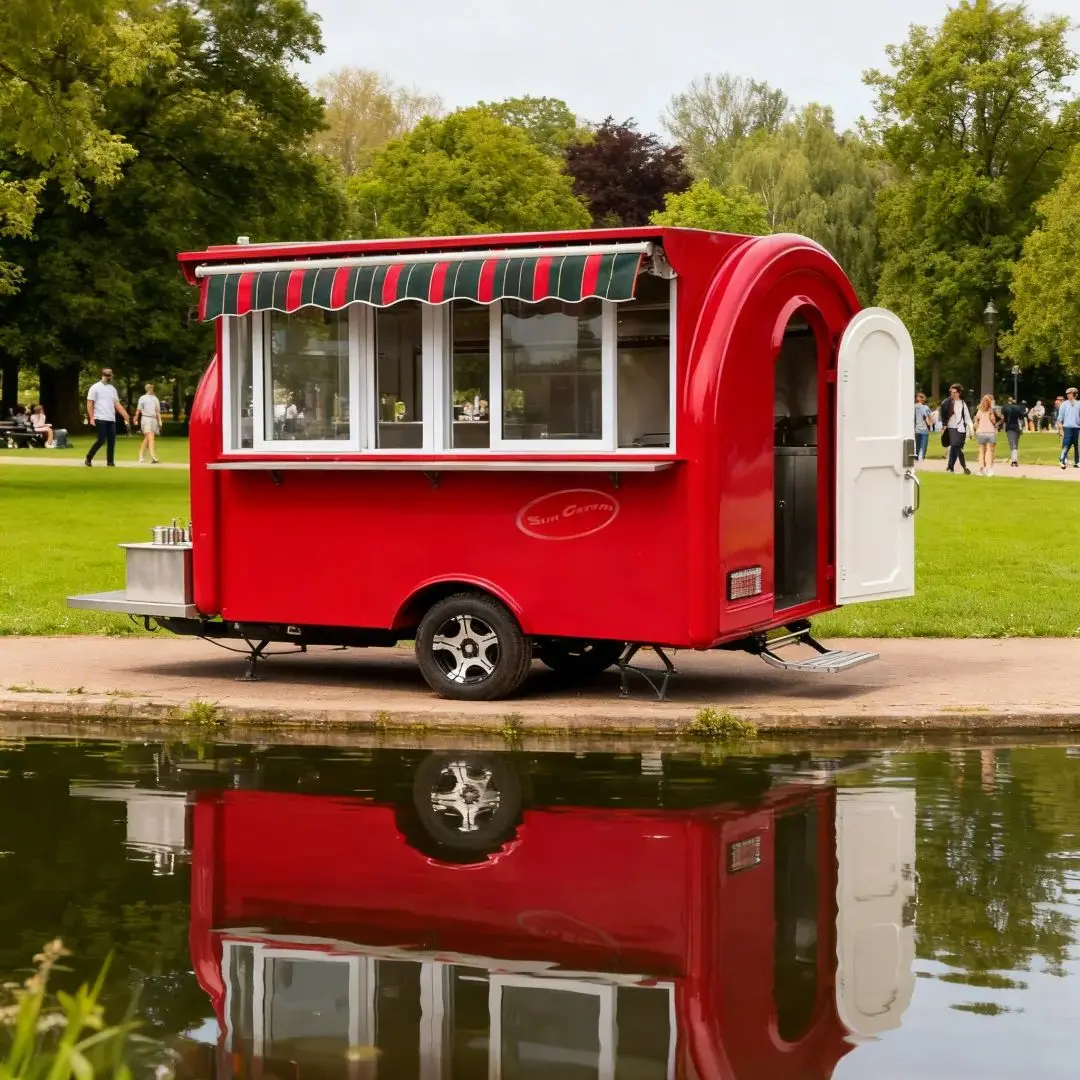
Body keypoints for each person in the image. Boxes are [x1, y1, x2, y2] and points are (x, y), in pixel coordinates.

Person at [84, 368, 130, 467]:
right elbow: (89, 403)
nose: (110, 377)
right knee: (101, 440)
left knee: (112, 441)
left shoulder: (112, 389)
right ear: (104, 375)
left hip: (111, 418)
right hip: (100, 417)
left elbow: (117, 404)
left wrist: (125, 415)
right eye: (109, 375)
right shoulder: (95, 387)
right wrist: (91, 417)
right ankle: (89, 457)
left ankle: (110, 462)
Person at [939, 383, 972, 474]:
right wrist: (944, 425)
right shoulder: (947, 402)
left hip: (961, 429)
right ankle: (964, 466)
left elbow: (967, 417)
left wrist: (971, 428)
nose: (952, 394)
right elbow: (943, 414)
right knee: (956, 445)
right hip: (951, 427)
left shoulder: (962, 403)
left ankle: (950, 467)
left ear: (959, 393)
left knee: (954, 448)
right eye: (951, 392)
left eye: (955, 392)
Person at [134, 382, 162, 464]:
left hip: (153, 419)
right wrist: (135, 418)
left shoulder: (155, 399)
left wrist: (159, 420)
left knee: (147, 439)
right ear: (147, 389)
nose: (151, 390)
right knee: (151, 437)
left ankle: (141, 456)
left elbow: (157, 411)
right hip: (146, 419)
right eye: (150, 388)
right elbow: (138, 410)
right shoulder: (142, 398)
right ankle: (154, 457)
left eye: (152, 388)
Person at [973, 394, 1000, 476]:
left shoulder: (979, 411)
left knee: (981, 452)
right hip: (990, 432)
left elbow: (976, 422)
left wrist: (976, 430)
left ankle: (982, 469)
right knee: (989, 451)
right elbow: (994, 421)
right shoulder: (991, 411)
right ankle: (989, 469)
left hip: (980, 433)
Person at [1000, 396, 1026, 468]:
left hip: (1009, 427)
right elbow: (1021, 419)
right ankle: (1014, 459)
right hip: (1017, 427)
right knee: (1015, 444)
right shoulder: (1018, 407)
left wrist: (999, 425)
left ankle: (1014, 460)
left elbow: (1002, 417)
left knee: (1012, 444)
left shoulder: (1004, 407)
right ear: (1014, 400)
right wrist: (1022, 428)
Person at [1057, 386, 1080, 469]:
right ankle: (1062, 460)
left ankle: (1077, 462)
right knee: (1066, 445)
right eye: (1067, 394)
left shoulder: (1079, 404)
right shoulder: (1064, 404)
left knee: (1077, 445)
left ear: (1074, 394)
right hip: (1067, 427)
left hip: (1077, 427)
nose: (1068, 395)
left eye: (1070, 394)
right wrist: (1060, 428)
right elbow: (1060, 417)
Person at [913, 392, 932, 462]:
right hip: (924, 429)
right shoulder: (926, 407)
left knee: (917, 445)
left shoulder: (913, 407)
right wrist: (930, 426)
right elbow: (929, 418)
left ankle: (917, 457)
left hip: (917, 429)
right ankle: (922, 458)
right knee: (924, 445)